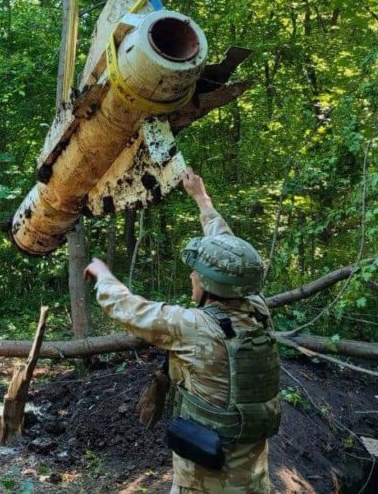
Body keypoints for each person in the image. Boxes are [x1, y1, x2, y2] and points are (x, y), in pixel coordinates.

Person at [84, 168, 280, 494]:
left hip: (204, 480)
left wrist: (103, 275)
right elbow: (231, 255)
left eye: (196, 272)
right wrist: (202, 200)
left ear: (208, 284)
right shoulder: (258, 310)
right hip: (253, 479)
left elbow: (130, 309)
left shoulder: (193, 327)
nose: (192, 275)